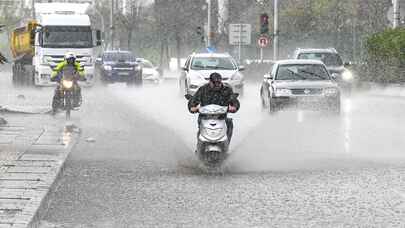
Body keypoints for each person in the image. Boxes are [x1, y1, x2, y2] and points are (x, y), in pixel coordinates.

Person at [188, 72, 240, 142]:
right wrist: (193, 108)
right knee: (201, 128)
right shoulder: (203, 89)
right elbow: (193, 101)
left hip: (222, 117)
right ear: (210, 81)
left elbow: (234, 101)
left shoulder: (227, 90)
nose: (217, 85)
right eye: (214, 83)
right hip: (205, 117)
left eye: (219, 82)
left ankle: (226, 143)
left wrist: (234, 107)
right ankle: (199, 145)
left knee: (229, 123)